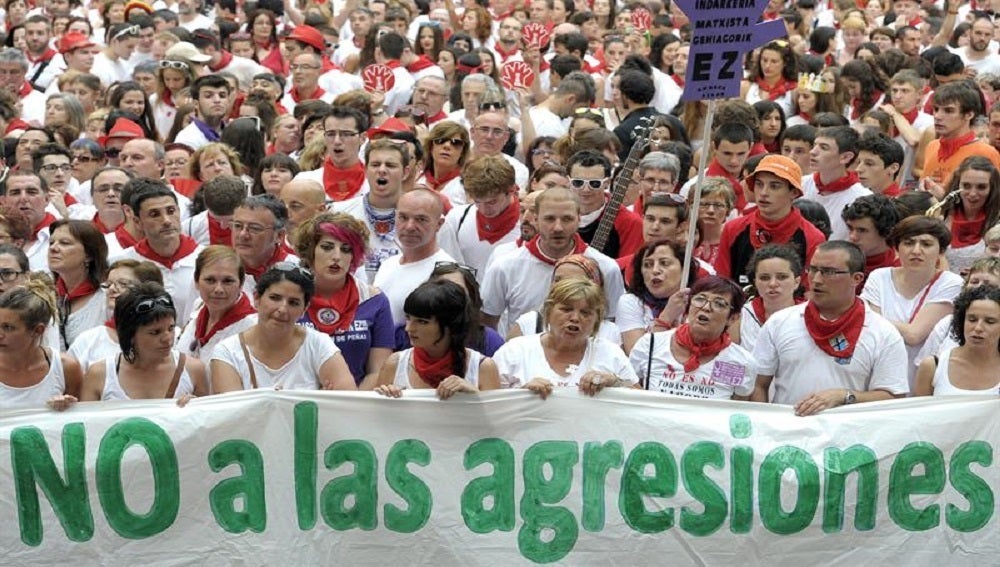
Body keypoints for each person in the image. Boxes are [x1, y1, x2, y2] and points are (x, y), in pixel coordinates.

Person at [752, 241, 910, 414]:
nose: (817, 279)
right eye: (813, 270)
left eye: (829, 272)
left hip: (849, 436)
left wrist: (844, 396)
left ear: (856, 278)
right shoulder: (780, 322)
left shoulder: (883, 333)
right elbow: (759, 383)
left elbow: (893, 398)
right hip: (789, 435)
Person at [481, 186, 625, 335]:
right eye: (549, 219)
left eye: (567, 219)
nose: (558, 228)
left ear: (579, 219)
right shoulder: (505, 266)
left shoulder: (606, 268)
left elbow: (613, 324)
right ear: (536, 219)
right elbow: (487, 324)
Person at [211, 263, 355, 392]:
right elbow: (231, 416)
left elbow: (347, 402)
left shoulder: (319, 344)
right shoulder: (227, 353)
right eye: (275, 298)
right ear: (257, 298)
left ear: (305, 309)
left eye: (293, 302)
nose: (282, 309)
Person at [861, 216, 964, 388]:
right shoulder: (879, 276)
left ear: (941, 251)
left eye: (926, 244)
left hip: (919, 379)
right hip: (877, 371)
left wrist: (874, 318)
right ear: (896, 248)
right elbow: (871, 332)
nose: (916, 250)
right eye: (908, 243)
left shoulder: (951, 283)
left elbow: (913, 335)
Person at [295, 212, 393, 387]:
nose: (337, 256)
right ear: (311, 251)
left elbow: (378, 372)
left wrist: (351, 405)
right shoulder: (290, 297)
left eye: (346, 249)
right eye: (327, 247)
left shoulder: (375, 300)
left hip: (356, 403)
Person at [493, 278, 637, 396]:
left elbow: (641, 403)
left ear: (596, 320)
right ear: (548, 312)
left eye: (585, 313)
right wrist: (520, 395)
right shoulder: (514, 351)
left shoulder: (610, 353)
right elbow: (488, 403)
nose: (575, 318)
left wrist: (615, 383)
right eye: (566, 309)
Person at [77, 283, 207, 402]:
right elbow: (85, 423)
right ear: (130, 334)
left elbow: (210, 422)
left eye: (171, 328)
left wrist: (197, 409)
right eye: (155, 332)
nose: (167, 338)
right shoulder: (100, 374)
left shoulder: (193, 370)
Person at [630, 276, 755, 399]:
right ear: (688, 306)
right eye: (700, 299)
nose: (706, 307)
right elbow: (629, 390)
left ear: (732, 318)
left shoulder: (740, 362)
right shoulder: (650, 344)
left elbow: (736, 410)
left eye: (719, 303)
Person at [374, 279, 500, 398]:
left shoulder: (482, 367)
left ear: (450, 325)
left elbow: (498, 418)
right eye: (408, 318)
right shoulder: (395, 364)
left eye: (422, 322)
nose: (409, 328)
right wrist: (387, 398)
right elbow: (377, 417)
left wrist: (474, 395)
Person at [714, 154, 825, 285]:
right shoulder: (733, 229)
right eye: (759, 184)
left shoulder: (812, 238)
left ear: (794, 192)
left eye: (774, 186)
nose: (764, 192)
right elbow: (721, 285)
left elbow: (809, 293)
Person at [373, 188, 455, 325]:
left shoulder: (447, 273)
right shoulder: (388, 264)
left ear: (439, 224)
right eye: (403, 218)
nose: (410, 226)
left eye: (421, 219)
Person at [69, 259, 164, 372]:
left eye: (123, 284)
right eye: (108, 285)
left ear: (149, 290)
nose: (112, 289)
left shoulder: (169, 336)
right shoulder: (89, 340)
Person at [0, 278, 81, 409]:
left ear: (38, 330)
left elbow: (82, 419)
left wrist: (66, 405)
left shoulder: (66, 368)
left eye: (8, 327)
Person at [509, 254, 622, 345]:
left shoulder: (610, 332)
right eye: (557, 280)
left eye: (572, 280)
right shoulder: (529, 323)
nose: (562, 286)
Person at [438, 155, 520, 279]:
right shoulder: (456, 218)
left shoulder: (527, 224)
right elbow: (447, 268)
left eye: (492, 202)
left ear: (512, 190)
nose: (484, 209)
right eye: (477, 201)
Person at [914, 285, 1000, 396]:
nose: (978, 328)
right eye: (972, 319)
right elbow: (920, 411)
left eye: (990, 321)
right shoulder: (933, 367)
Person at [176, 246, 257, 363]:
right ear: (197, 281)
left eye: (228, 281)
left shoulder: (252, 327)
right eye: (210, 280)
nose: (218, 289)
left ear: (241, 284)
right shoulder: (198, 305)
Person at [914, 257, 1000, 365]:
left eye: (988, 285)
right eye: (974, 282)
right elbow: (924, 366)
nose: (978, 287)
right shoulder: (947, 323)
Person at [618, 240, 698, 354]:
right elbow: (636, 354)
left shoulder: (700, 302)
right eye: (647, 265)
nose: (655, 270)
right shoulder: (630, 301)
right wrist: (666, 318)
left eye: (664, 263)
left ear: (684, 268)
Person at [800, 126, 871, 241]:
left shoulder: (862, 198)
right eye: (814, 145)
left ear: (845, 157)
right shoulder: (799, 184)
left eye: (824, 148)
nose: (813, 152)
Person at [49, 219, 108, 350]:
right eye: (51, 242)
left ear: (89, 255)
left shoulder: (107, 300)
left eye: (65, 243)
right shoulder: (43, 297)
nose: (53, 248)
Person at [937, 156, 1000, 275]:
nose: (972, 193)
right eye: (966, 186)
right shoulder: (940, 218)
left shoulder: (997, 222)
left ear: (992, 189)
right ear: (957, 186)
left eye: (981, 187)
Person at [736, 244, 803, 353]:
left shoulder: (810, 315)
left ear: (796, 282)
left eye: (782, 277)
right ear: (755, 283)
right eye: (764, 278)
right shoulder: (740, 316)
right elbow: (727, 362)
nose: (772, 284)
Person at [842, 193, 901, 290]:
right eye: (850, 228)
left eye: (862, 230)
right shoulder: (839, 262)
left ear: (886, 231)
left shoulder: (900, 269)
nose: (852, 237)